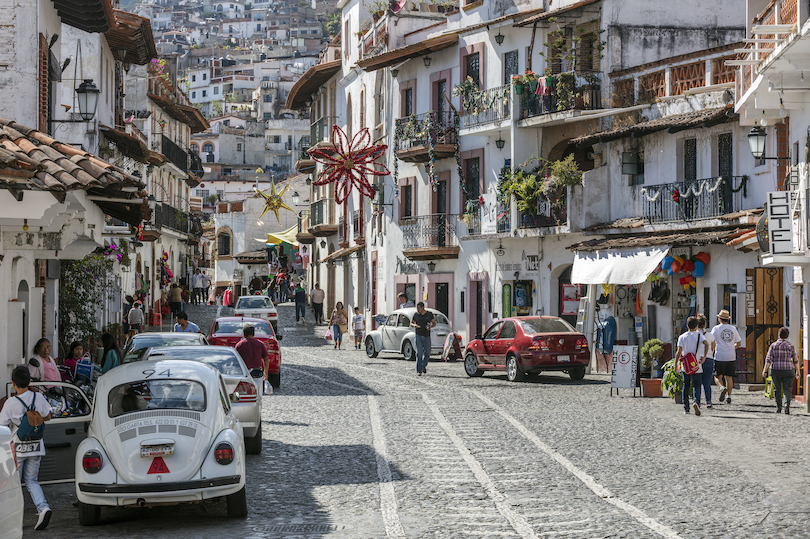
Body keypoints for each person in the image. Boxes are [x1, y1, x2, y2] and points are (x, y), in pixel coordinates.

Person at [0, 366, 52, 530]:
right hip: (36, 447)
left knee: (13, 484)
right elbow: (48, 417)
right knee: (32, 481)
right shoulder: (39, 397)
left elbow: (2, 426)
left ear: (13, 384)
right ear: (30, 381)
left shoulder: (10, 403)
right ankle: (43, 508)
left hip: (17, 449)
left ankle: (13, 519)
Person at [763, 327, 800, 414]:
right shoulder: (790, 346)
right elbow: (795, 360)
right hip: (788, 370)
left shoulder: (773, 346)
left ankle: (779, 407)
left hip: (776, 370)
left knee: (777, 389)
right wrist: (798, 371)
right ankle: (787, 406)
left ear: (779, 335)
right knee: (788, 389)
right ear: (787, 336)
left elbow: (768, 359)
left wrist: (765, 370)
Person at [676, 316, 708, 415]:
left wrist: (676, 363)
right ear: (697, 326)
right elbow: (706, 344)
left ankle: (686, 407)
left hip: (686, 366)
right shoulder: (699, 335)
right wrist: (704, 357)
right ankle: (696, 402)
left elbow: (679, 351)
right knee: (697, 385)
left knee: (686, 385)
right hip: (696, 365)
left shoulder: (682, 337)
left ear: (687, 326)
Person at [711, 309, 742, 404]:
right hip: (731, 356)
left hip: (720, 355)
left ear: (719, 319)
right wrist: (732, 348)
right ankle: (729, 396)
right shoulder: (733, 329)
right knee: (729, 377)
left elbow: (712, 342)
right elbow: (739, 343)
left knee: (717, 377)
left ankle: (721, 387)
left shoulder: (716, 329)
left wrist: (712, 350)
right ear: (728, 319)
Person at [235, 325, 269, 394]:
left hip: (245, 373)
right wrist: (265, 372)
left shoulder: (240, 345)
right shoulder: (260, 344)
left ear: (244, 334)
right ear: (254, 333)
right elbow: (266, 359)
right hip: (257, 373)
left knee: (245, 394)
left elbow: (236, 360)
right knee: (258, 394)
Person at [411, 302, 436, 375]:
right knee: (419, 353)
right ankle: (419, 370)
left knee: (427, 353)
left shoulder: (429, 314)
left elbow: (434, 323)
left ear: (423, 308)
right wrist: (414, 325)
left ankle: (423, 366)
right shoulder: (416, 315)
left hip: (426, 336)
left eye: (418, 308)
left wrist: (430, 327)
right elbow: (411, 322)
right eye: (417, 308)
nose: (417, 309)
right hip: (418, 335)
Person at [696, 314, 715, 408]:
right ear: (705, 324)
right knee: (707, 383)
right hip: (708, 359)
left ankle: (697, 401)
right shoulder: (710, 335)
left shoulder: (694, 335)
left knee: (697, 382)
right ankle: (708, 401)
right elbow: (713, 347)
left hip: (698, 360)